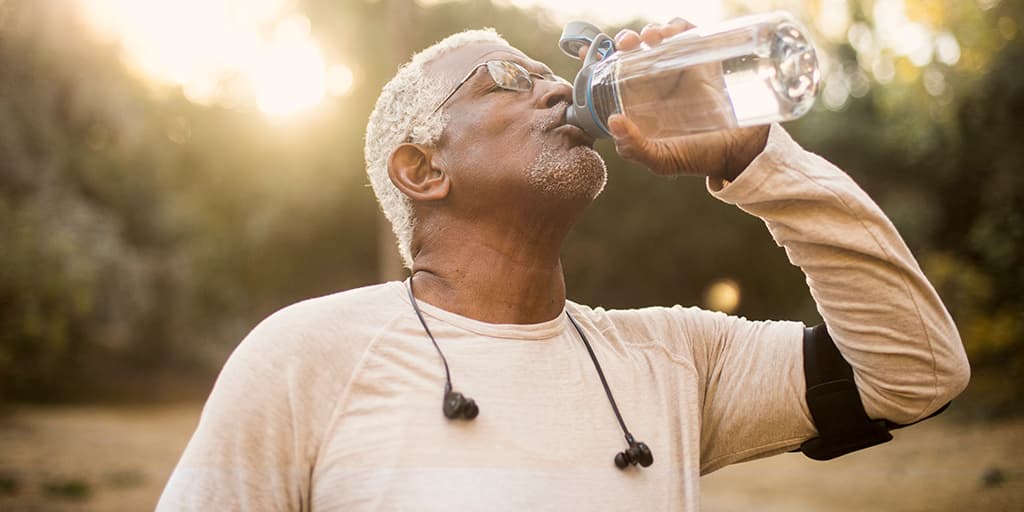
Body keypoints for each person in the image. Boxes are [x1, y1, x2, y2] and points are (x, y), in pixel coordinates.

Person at [157, 19, 970, 511]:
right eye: (507, 80)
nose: (556, 91)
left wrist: (760, 159)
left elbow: (916, 372)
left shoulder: (674, 360)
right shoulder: (306, 356)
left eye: (554, 73)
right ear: (423, 171)